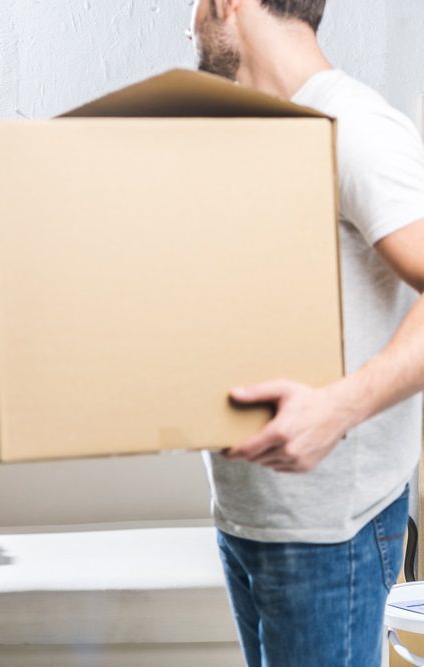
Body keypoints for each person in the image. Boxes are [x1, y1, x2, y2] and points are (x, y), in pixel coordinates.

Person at [188, 0, 424, 664]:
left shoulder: (353, 127)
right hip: (246, 510)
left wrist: (337, 407)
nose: (187, 24)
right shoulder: (250, 134)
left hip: (326, 533)